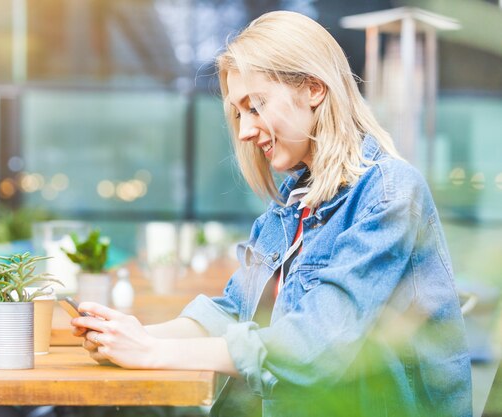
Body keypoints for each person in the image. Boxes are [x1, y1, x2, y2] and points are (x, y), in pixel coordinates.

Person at [70, 11, 472, 417]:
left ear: (314, 88)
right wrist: (134, 335)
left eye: (255, 106)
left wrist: (154, 351)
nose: (244, 130)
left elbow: (314, 348)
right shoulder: (292, 202)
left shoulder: (389, 193)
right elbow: (234, 309)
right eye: (239, 113)